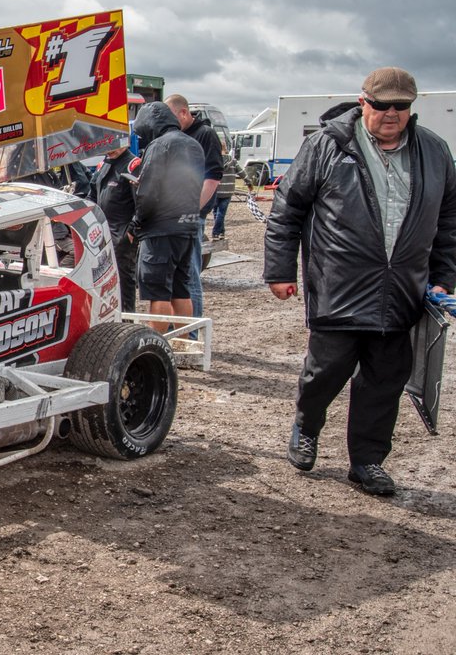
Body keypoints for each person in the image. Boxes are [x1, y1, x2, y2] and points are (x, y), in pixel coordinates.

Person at [265, 67, 456, 496]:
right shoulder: (329, 145)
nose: (391, 114)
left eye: (401, 106)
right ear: (363, 101)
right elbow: (288, 208)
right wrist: (279, 270)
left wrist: (444, 277)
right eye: (382, 104)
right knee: (325, 371)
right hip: (339, 284)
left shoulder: (435, 152)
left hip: (401, 292)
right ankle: (307, 425)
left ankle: (367, 462)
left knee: (384, 380)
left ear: (411, 107)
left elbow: (448, 221)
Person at [130, 102, 204, 331]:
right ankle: (183, 342)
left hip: (160, 229)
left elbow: (149, 189)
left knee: (157, 292)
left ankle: (157, 346)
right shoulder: (193, 145)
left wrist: (136, 223)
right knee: (180, 289)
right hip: (188, 226)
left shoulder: (160, 146)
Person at [165, 95, 222, 318]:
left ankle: (192, 331)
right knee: (174, 276)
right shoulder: (175, 135)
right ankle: (176, 325)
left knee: (189, 275)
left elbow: (213, 177)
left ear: (184, 112)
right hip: (172, 215)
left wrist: (193, 209)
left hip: (191, 217)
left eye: (172, 117)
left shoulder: (205, 134)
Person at [89, 144, 140, 312]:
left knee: (124, 281)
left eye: (115, 144)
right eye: (107, 144)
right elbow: (92, 196)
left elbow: (142, 202)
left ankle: (127, 318)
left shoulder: (134, 164)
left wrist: (132, 231)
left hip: (122, 234)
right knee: (102, 281)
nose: (110, 148)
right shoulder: (103, 164)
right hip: (101, 234)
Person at [211, 153, 239, 240]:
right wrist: (248, 182)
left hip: (216, 189)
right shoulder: (233, 161)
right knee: (221, 213)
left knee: (216, 212)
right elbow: (241, 172)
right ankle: (221, 232)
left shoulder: (214, 160)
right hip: (228, 190)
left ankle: (216, 233)